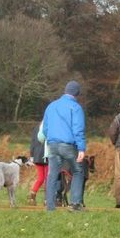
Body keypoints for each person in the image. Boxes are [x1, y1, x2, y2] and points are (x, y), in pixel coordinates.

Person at [42, 81, 87, 212]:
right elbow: (78, 129)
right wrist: (81, 148)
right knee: (78, 171)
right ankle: (75, 204)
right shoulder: (76, 107)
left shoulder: (51, 106)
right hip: (68, 145)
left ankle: (50, 207)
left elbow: (45, 128)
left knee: (52, 174)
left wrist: (51, 138)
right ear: (77, 93)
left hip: (52, 145)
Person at [27, 121, 47, 205]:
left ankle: (32, 195)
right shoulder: (50, 128)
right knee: (48, 179)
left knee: (41, 178)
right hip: (47, 156)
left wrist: (32, 155)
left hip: (37, 156)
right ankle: (47, 199)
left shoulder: (36, 128)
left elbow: (32, 142)